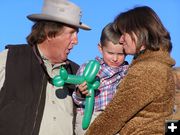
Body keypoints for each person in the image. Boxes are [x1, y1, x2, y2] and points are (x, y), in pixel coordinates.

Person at [0, 0, 91, 135]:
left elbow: (82, 126)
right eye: (72, 32)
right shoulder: (10, 58)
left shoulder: (78, 72)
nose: (76, 41)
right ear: (50, 33)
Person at [85, 6, 176, 135]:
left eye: (123, 34)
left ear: (138, 32)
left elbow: (115, 115)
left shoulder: (147, 70)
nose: (121, 40)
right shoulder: (159, 66)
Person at [72, 23, 129, 135]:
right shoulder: (90, 67)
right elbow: (77, 99)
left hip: (115, 120)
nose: (115, 58)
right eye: (110, 53)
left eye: (121, 54)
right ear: (100, 48)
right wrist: (81, 93)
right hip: (91, 117)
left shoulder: (127, 71)